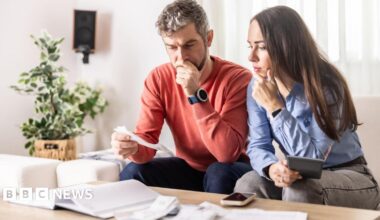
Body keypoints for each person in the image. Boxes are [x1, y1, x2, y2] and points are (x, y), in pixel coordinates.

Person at [234, 6, 380, 209]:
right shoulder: (257, 86)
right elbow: (258, 145)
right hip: (299, 175)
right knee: (248, 183)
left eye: (262, 47)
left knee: (301, 188)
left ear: (285, 46)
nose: (251, 57)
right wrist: (272, 168)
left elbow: (312, 160)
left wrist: (275, 108)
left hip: (351, 176)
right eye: (249, 45)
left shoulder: (327, 84)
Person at [111, 0, 252, 194]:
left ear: (209, 38)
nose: (181, 57)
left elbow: (226, 154)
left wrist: (195, 95)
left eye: (189, 45)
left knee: (218, 172)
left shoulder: (238, 78)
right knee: (133, 172)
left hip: (233, 168)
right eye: (172, 47)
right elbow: (148, 142)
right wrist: (133, 148)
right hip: (189, 169)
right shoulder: (158, 78)